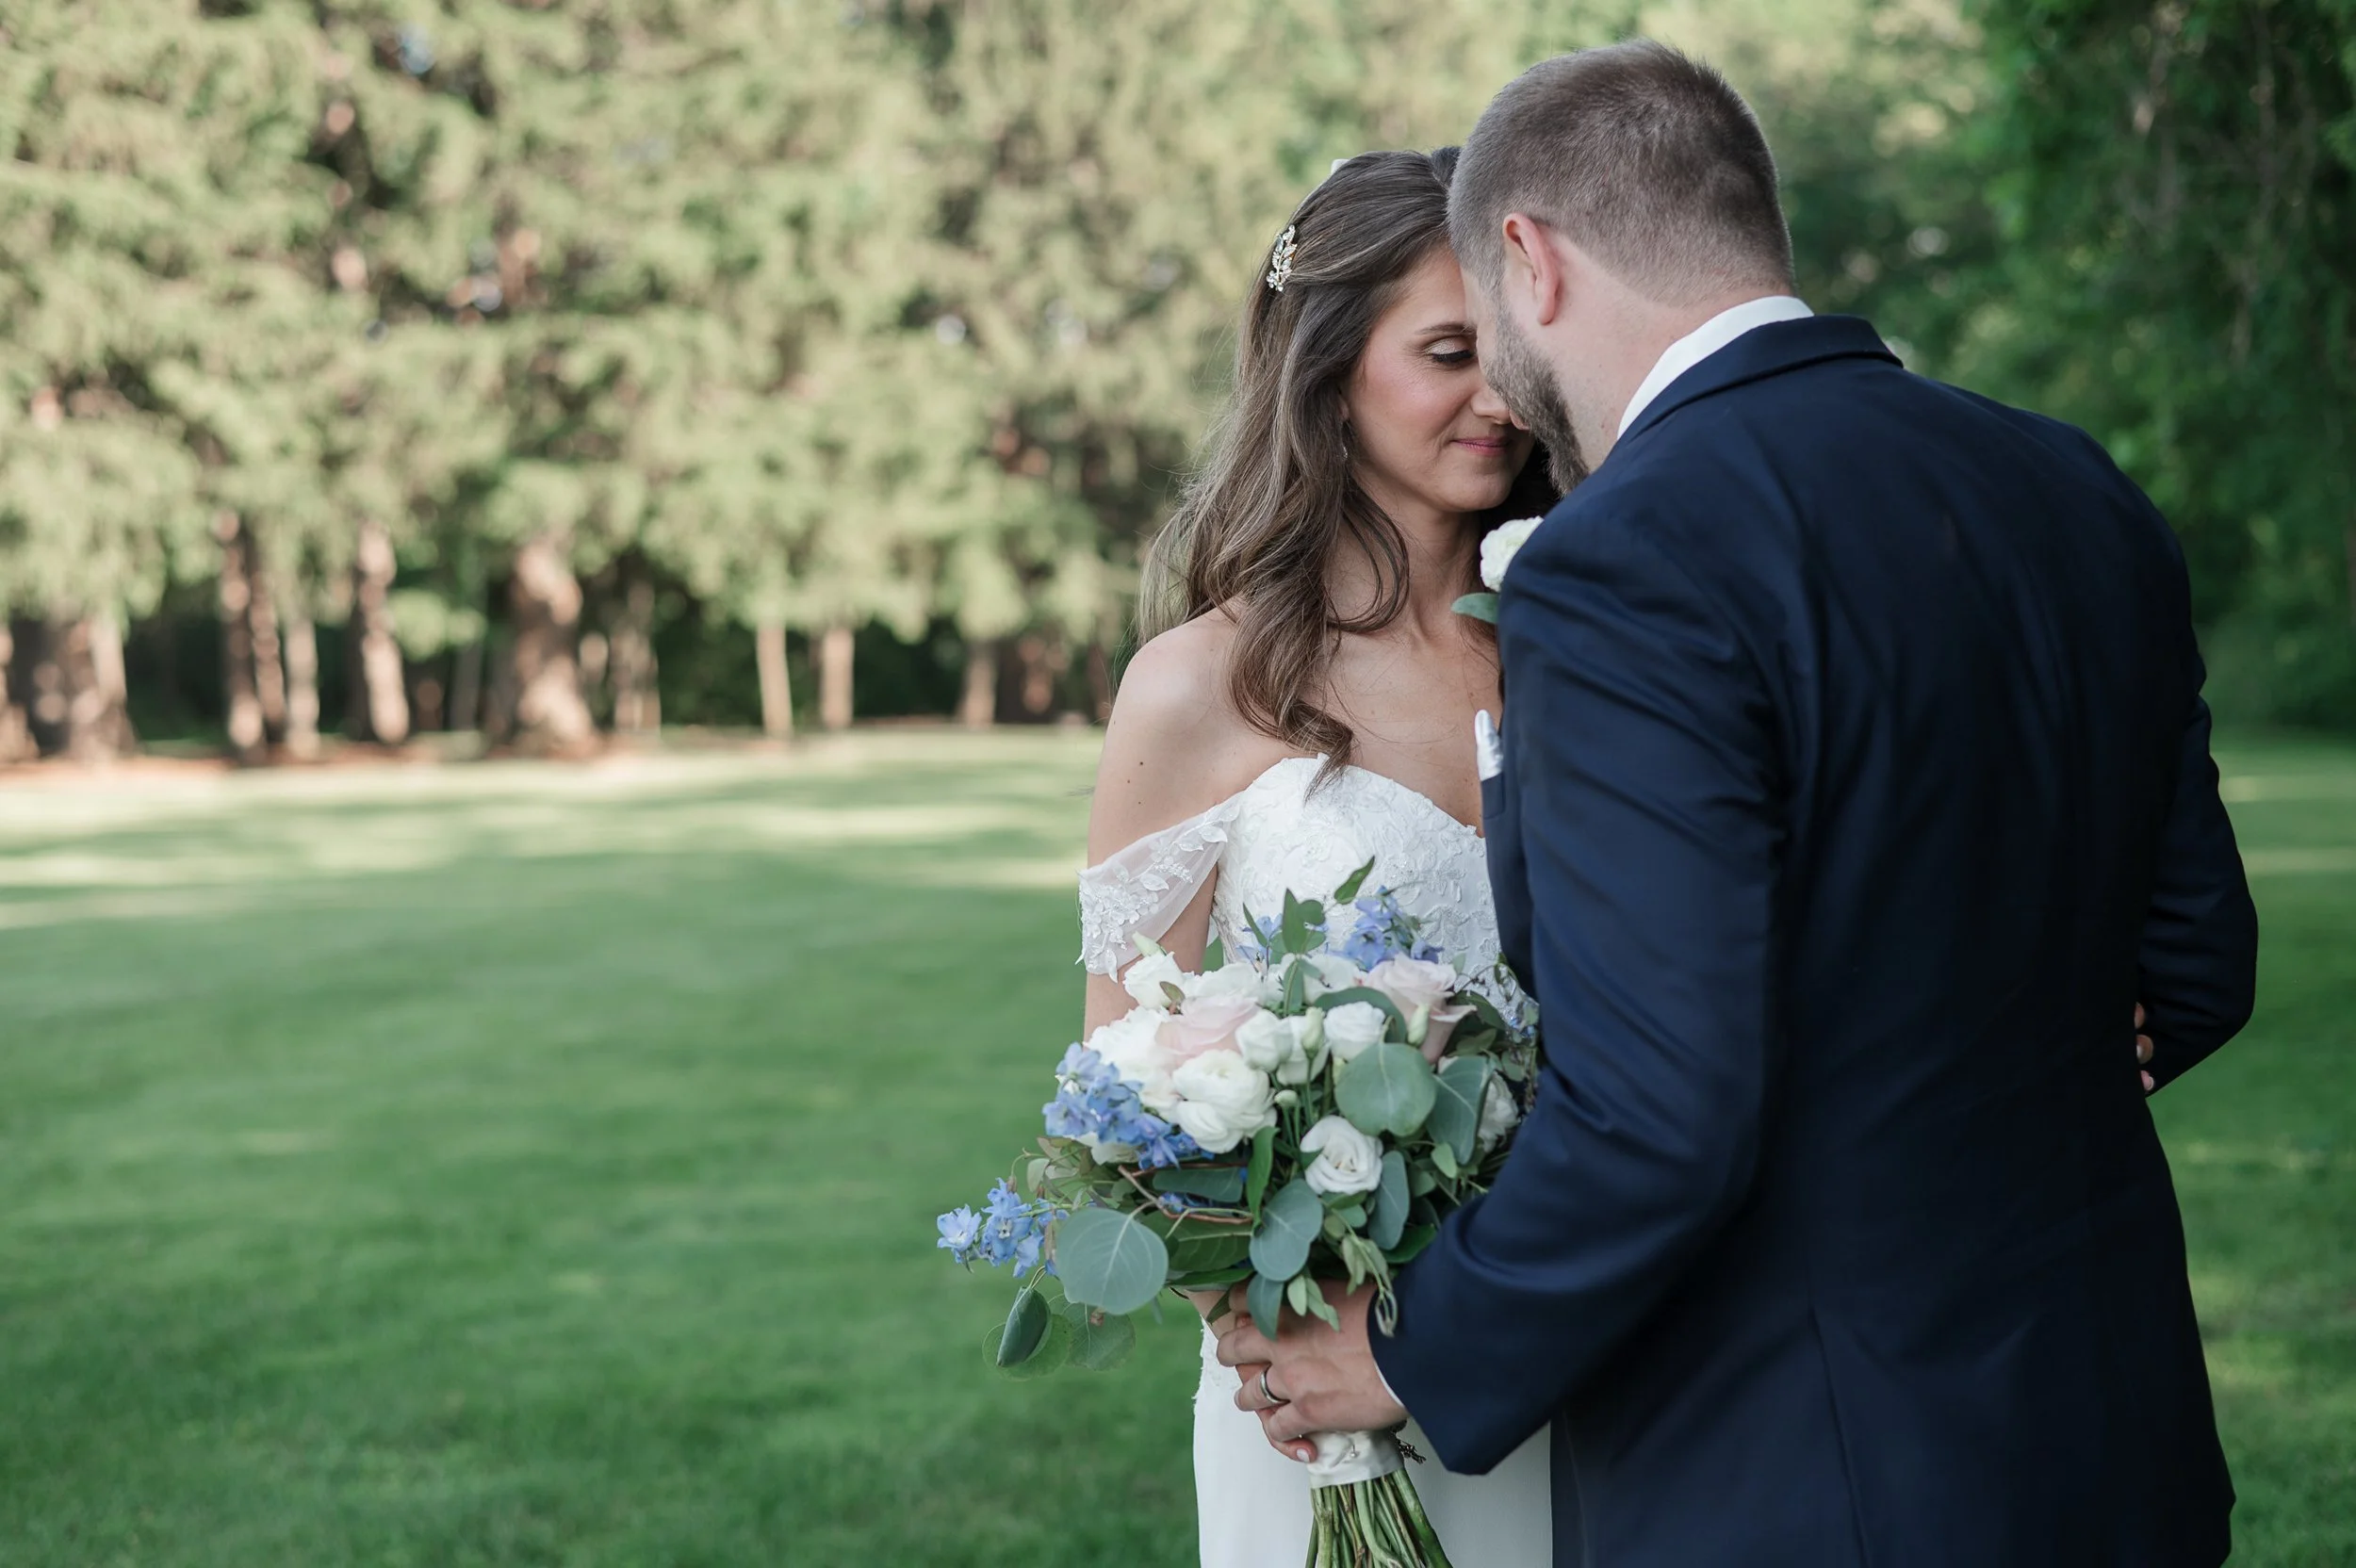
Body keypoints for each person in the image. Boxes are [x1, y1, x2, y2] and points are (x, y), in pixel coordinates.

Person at [1216, 40, 2260, 1567]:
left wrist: (1407, 1355)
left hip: (1807, 1471)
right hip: (2112, 1434)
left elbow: (1660, 1114)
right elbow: (2199, 965)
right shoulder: (2070, 484)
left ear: (1530, 259)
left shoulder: (1624, 559)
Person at [1075, 148, 1559, 1566]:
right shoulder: (1196, 684)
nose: (1499, 398)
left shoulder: (1574, 646)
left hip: (1585, 1339)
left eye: (1514, 354)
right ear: (1328, 363)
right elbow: (1124, 1084)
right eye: (1449, 352)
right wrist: (1281, 1332)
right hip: (1323, 1366)